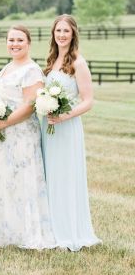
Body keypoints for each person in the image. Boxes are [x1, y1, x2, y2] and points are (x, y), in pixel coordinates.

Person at [0, 25, 55, 249]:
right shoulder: (7, 67)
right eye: (11, 40)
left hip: (20, 133)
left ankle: (25, 232)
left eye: (19, 40)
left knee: (21, 180)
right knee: (5, 179)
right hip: (1, 135)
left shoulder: (31, 70)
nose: (14, 44)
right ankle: (5, 232)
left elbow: (29, 105)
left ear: (28, 43)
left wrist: (4, 123)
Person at [42, 15, 101, 251]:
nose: (62, 35)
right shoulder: (52, 60)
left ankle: (68, 232)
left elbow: (88, 101)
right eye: (58, 31)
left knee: (65, 176)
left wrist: (65, 116)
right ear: (53, 34)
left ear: (73, 34)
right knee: (51, 176)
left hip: (67, 127)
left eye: (66, 31)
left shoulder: (78, 62)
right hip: (50, 129)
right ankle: (52, 228)